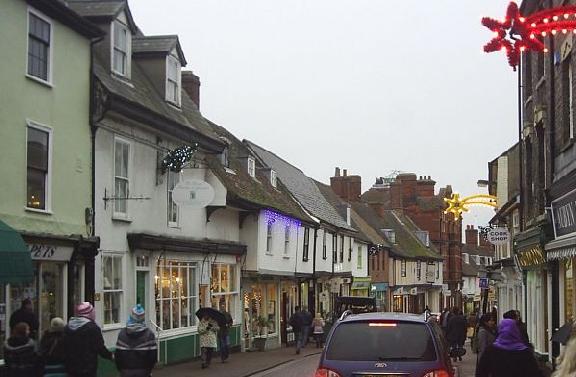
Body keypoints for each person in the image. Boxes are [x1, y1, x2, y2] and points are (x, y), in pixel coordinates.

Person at [476, 318, 544, 377]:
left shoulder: (491, 351)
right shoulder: (525, 352)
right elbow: (534, 373)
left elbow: (481, 372)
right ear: (516, 331)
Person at [63, 302, 113, 377]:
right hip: (87, 368)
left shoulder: (68, 327)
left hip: (71, 368)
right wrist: (110, 356)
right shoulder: (93, 328)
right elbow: (100, 347)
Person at [114, 304, 157, 377]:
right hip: (143, 372)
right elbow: (153, 356)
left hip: (125, 372)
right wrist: (148, 370)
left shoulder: (122, 334)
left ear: (131, 317)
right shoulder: (149, 335)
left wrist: (121, 370)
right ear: (143, 318)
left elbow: (118, 356)